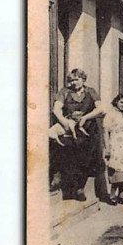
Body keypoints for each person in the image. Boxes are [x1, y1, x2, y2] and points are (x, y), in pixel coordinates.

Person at [51, 68, 106, 201]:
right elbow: (56, 109)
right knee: (70, 159)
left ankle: (80, 189)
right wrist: (65, 122)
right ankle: (69, 190)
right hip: (70, 131)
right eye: (71, 80)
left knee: (85, 161)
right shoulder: (64, 92)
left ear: (83, 79)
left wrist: (86, 117)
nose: (74, 82)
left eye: (76, 79)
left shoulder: (91, 92)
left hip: (88, 130)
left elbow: (101, 109)